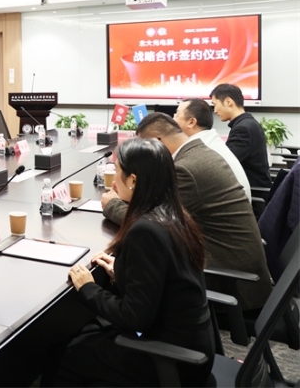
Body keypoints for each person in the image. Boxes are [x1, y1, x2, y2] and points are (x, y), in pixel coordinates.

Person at [45, 137, 213, 387]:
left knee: (66, 353)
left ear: (133, 180)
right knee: (87, 334)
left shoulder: (145, 230)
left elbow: (134, 317)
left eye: (117, 171)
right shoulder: (174, 215)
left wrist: (88, 287)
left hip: (171, 360)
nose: (113, 180)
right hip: (193, 348)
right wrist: (122, 272)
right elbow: (165, 279)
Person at [102, 112, 272, 311]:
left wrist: (113, 204)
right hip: (232, 266)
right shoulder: (199, 152)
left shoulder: (185, 169)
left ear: (157, 142)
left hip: (230, 284)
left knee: (130, 278)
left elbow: (155, 224)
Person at [174, 97, 251, 201]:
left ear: (191, 122)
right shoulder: (210, 141)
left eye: (177, 115)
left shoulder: (200, 149)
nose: (173, 120)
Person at [210, 83, 272, 188]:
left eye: (215, 104)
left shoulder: (242, 129)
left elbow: (225, 163)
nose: (215, 110)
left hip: (253, 192)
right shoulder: (248, 123)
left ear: (228, 102)